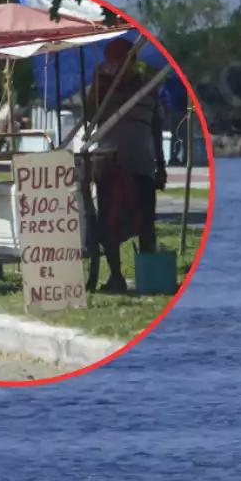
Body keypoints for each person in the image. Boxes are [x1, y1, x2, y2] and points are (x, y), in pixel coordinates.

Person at [90, 38, 167, 293]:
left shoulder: (148, 88)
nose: (115, 66)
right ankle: (116, 276)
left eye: (120, 60)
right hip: (109, 164)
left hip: (141, 164)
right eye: (111, 61)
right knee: (108, 223)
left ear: (131, 62)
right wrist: (101, 83)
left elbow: (156, 128)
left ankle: (149, 276)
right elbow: (90, 117)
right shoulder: (103, 89)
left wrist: (161, 164)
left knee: (146, 223)